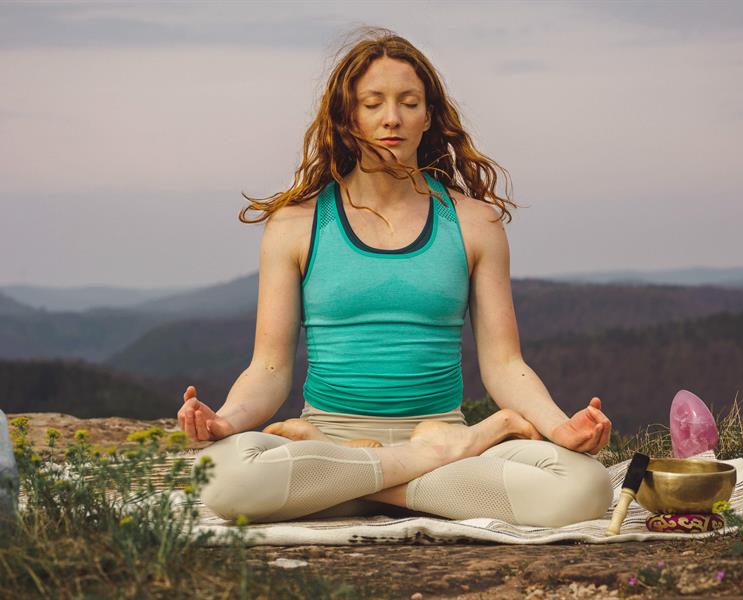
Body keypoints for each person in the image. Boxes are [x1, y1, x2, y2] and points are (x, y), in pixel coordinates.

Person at [177, 28, 613, 526]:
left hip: (419, 435)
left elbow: (505, 363)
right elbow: (270, 369)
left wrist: (559, 428)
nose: (392, 118)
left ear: (428, 116)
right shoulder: (295, 225)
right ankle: (430, 466)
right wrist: (225, 422)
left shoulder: (473, 223)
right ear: (347, 115)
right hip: (348, 443)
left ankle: (356, 489)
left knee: (586, 487)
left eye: (409, 103)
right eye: (373, 103)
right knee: (219, 475)